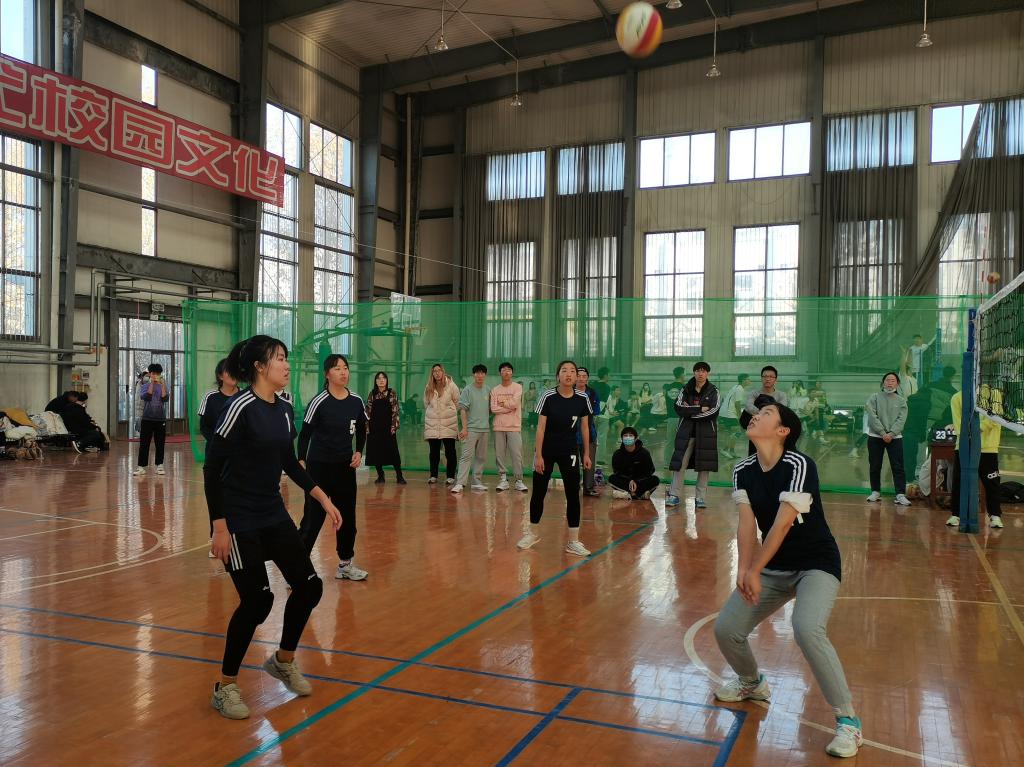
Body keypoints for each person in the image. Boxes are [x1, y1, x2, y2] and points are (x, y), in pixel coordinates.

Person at [204, 335, 341, 720]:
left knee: (309, 586)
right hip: (237, 518)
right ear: (260, 366)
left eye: (286, 358)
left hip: (272, 513)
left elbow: (289, 463)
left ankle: (283, 660)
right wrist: (219, 526)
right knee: (258, 601)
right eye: (279, 358)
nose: (286, 364)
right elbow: (212, 469)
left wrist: (322, 497)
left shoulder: (283, 408)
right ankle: (225, 687)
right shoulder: (238, 408)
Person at [713, 403, 861, 759]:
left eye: (766, 414)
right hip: (774, 568)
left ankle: (849, 722)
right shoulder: (743, 470)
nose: (755, 415)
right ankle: (752, 683)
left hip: (816, 563)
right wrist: (743, 569)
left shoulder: (799, 464)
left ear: (783, 431)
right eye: (756, 413)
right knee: (726, 629)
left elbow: (781, 523)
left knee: (807, 628)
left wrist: (754, 569)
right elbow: (747, 524)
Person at [296, 354, 369, 581]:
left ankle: (345, 564)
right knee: (313, 519)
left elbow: (362, 428)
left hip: (345, 469)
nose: (343, 372)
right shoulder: (319, 401)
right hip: (319, 469)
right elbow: (305, 434)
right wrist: (301, 460)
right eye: (337, 368)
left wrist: (359, 452)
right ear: (327, 374)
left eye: (345, 367)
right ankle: (296, 569)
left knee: (347, 518)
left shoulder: (356, 400)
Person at [518, 360, 593, 557]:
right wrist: (538, 455)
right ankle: (533, 533)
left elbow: (585, 428)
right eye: (564, 370)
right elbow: (540, 428)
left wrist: (586, 453)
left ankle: (573, 541)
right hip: (547, 450)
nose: (568, 374)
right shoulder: (548, 396)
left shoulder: (583, 398)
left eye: (572, 371)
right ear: (557, 375)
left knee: (573, 493)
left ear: (576, 376)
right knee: (538, 491)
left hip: (570, 450)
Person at [945, 387, 1005, 529]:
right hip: (964, 447)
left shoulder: (994, 394)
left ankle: (995, 515)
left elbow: (994, 419)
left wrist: (976, 428)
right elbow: (959, 426)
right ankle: (956, 514)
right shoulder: (957, 398)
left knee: (992, 483)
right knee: (959, 482)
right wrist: (970, 431)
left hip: (988, 448)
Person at [198, 358, 239, 555]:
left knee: (237, 497)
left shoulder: (245, 397)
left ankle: (237, 538)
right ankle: (215, 538)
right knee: (216, 495)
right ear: (220, 376)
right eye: (229, 371)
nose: (233, 375)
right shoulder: (211, 397)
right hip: (216, 455)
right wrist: (218, 444)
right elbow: (204, 426)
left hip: (239, 458)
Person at [667, 361, 720, 509]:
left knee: (704, 467)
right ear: (694, 373)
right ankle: (674, 495)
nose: (700, 373)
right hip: (686, 432)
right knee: (680, 464)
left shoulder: (714, 391)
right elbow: (678, 407)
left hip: (706, 434)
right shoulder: (685, 389)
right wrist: (699, 409)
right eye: (697, 370)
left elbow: (713, 411)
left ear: (707, 373)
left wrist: (690, 411)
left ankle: (700, 498)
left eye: (703, 371)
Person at [865, 372, 910, 506]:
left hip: (895, 438)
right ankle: (875, 491)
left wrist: (891, 433)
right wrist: (882, 432)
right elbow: (872, 416)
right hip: (875, 436)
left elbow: (901, 419)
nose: (890, 383)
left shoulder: (901, 401)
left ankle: (900, 494)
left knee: (898, 466)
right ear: (883, 382)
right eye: (887, 380)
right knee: (875, 465)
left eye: (893, 380)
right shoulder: (874, 398)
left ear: (897, 384)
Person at [452, 364, 490, 493]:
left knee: (481, 457)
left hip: (484, 429)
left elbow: (490, 409)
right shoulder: (467, 390)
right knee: (466, 456)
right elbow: (462, 410)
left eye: (482, 373)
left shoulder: (488, 390)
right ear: (474, 375)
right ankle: (460, 483)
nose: (480, 375)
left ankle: (476, 482)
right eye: (477, 373)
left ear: (485, 375)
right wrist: (464, 428)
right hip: (471, 429)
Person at [491, 362, 527, 492]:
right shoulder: (495, 390)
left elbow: (515, 404)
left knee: (517, 454)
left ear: (512, 373)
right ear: (499, 373)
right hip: (499, 426)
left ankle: (519, 480)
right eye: (503, 370)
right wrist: (508, 407)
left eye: (509, 370)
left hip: (514, 426)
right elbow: (493, 408)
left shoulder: (518, 387)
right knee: (500, 455)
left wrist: (503, 403)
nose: (506, 372)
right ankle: (503, 480)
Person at [423, 363, 460, 484]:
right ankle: (433, 475)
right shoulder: (428, 387)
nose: (437, 373)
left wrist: (448, 412)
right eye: (434, 371)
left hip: (449, 423)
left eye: (439, 370)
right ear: (432, 373)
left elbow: (457, 402)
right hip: (432, 424)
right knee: (434, 452)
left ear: (443, 372)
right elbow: (426, 403)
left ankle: (450, 476)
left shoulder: (452, 385)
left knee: (450, 451)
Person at [366, 371, 405, 484]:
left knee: (394, 453)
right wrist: (367, 427)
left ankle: (399, 476)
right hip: (374, 429)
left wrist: (393, 426)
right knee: (376, 453)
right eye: (378, 378)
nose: (381, 380)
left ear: (387, 380)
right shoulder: (372, 394)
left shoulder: (392, 393)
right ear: (376, 381)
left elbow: (395, 411)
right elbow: (368, 411)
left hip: (388, 429)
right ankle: (380, 476)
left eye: (383, 378)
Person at [743, 366, 789, 456]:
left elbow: (781, 410)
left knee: (773, 457)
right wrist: (768, 414)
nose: (768, 379)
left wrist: (760, 415)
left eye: (771, 377)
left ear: (776, 380)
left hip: (773, 433)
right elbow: (748, 406)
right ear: (761, 378)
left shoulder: (781, 395)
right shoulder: (754, 393)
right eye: (765, 376)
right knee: (754, 457)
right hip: (756, 432)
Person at [135, 363, 169, 476]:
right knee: (144, 443)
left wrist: (162, 385)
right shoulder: (144, 385)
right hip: (147, 419)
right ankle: (141, 467)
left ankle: (160, 465)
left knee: (160, 443)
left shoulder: (163, 385)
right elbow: (147, 396)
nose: (155, 375)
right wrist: (152, 383)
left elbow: (165, 398)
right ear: (150, 374)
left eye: (158, 374)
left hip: (160, 419)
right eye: (153, 373)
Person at [608, 426, 660, 501]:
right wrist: (629, 481)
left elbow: (650, 471)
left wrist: (636, 481)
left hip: (640, 482)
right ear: (622, 438)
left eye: (630, 435)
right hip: (626, 482)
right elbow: (617, 472)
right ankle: (638, 495)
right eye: (625, 435)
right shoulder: (617, 454)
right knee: (612, 479)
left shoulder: (644, 453)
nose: (628, 437)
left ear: (636, 438)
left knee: (655, 480)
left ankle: (629, 494)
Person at [575, 367, 601, 497]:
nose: (581, 378)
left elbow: (596, 411)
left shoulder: (593, 393)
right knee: (572, 463)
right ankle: (573, 486)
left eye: (584, 376)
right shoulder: (569, 391)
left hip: (589, 431)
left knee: (589, 461)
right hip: (572, 434)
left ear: (587, 378)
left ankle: (588, 488)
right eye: (578, 376)